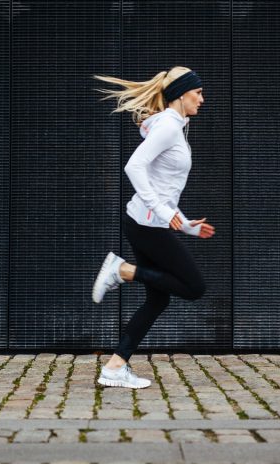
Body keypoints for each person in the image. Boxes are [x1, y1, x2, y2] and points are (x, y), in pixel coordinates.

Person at [90, 66, 215, 389]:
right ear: (182, 94)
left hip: (144, 222)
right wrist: (161, 210)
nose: (202, 99)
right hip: (147, 224)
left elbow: (164, 185)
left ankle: (115, 368)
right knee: (194, 287)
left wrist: (185, 225)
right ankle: (123, 271)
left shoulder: (174, 126)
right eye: (198, 92)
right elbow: (134, 166)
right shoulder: (169, 127)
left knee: (158, 300)